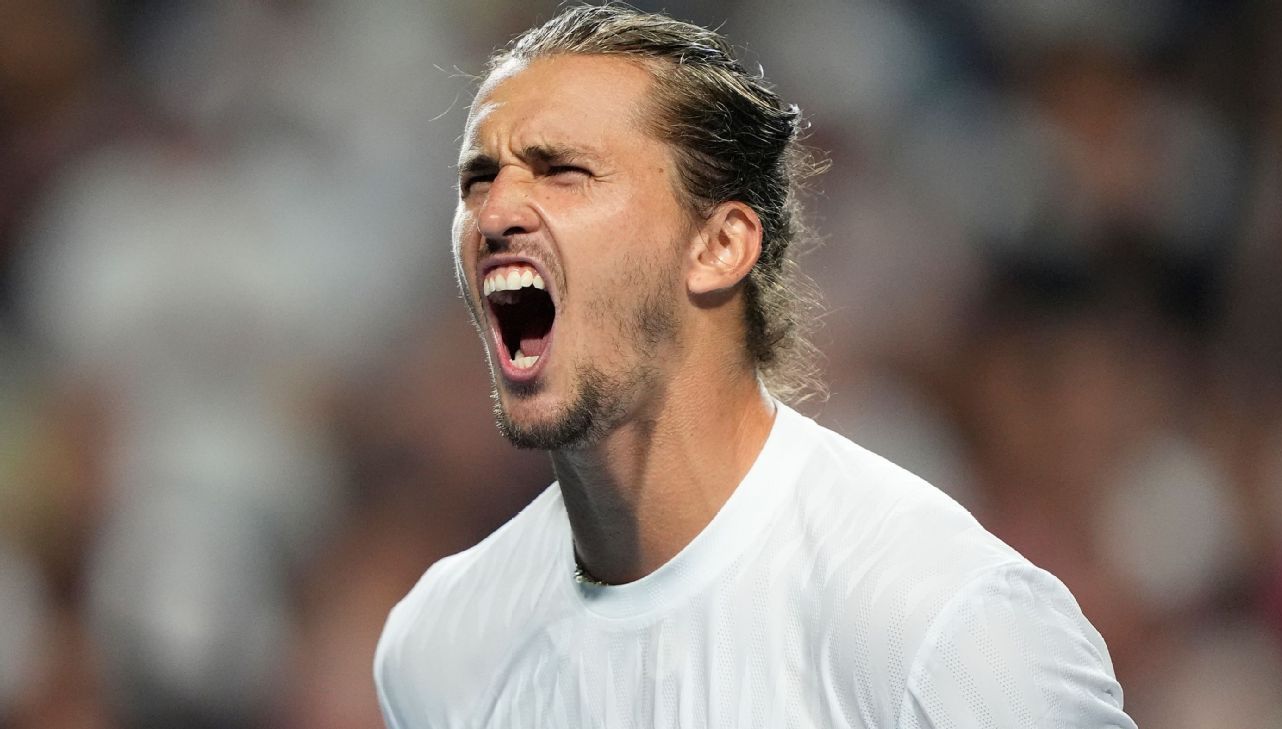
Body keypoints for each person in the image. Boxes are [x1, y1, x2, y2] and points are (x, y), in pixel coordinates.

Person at [373, 5, 1136, 727]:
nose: (495, 212)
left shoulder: (945, 625)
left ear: (720, 246)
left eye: (563, 170)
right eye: (478, 179)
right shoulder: (437, 645)